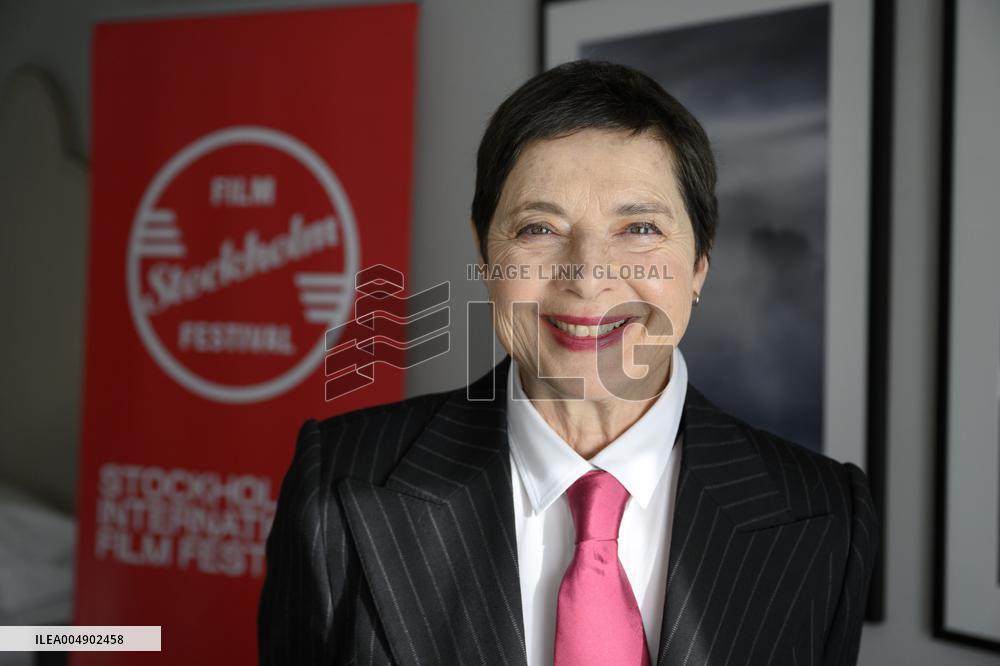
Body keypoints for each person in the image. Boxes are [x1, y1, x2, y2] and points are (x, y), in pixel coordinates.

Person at [258, 59, 878, 666]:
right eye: (538, 229)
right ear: (484, 255)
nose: (586, 277)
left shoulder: (827, 515)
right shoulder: (336, 482)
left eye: (637, 228)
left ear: (698, 265)